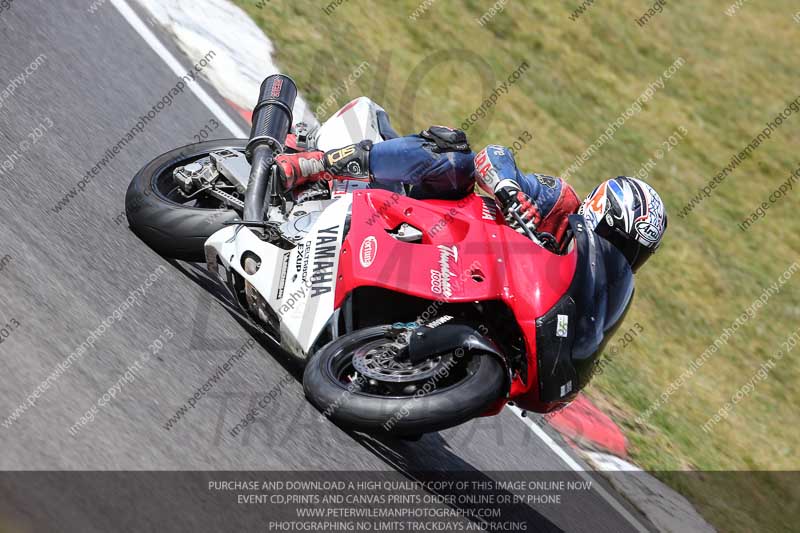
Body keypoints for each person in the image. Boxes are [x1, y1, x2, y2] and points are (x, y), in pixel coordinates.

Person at [275, 123, 667, 272]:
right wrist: (510, 191)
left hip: (461, 276)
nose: (621, 259)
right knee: (455, 155)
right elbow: (493, 155)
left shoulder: (582, 286)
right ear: (598, 214)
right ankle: (314, 164)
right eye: (621, 244)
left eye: (634, 255)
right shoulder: (559, 203)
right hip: (442, 216)